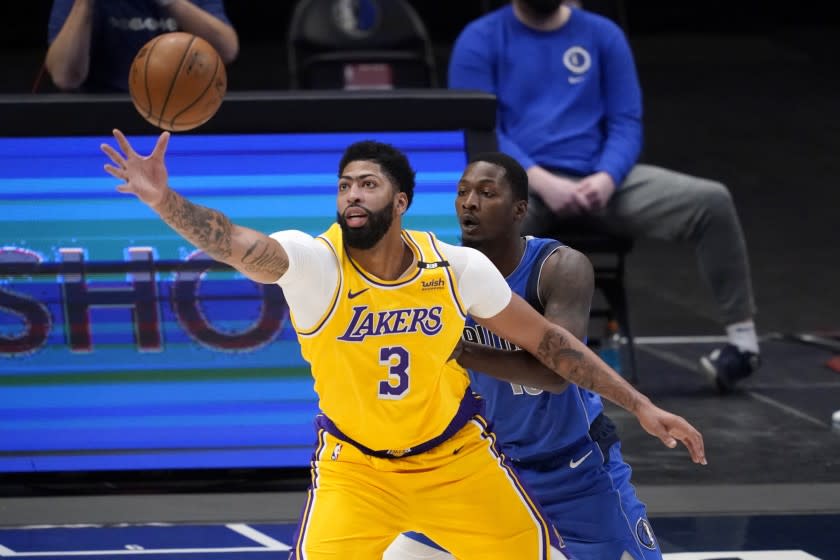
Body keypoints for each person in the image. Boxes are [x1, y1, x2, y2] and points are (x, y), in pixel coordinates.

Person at [100, 130, 705, 558]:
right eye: (344, 186)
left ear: (401, 201)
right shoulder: (316, 263)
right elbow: (232, 240)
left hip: (459, 461)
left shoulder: (454, 267)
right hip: (356, 471)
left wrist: (641, 405)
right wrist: (162, 199)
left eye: (367, 184)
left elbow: (550, 345)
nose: (352, 195)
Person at [447, 0, 761, 393]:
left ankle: (743, 344)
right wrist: (540, 180)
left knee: (711, 201)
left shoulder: (602, 35)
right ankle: (482, 349)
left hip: (602, 181)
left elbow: (626, 120)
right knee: (482, 223)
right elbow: (481, 129)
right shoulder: (479, 40)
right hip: (525, 183)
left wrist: (606, 177)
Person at [385, 153, 665, 559]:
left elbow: (555, 374)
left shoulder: (559, 268)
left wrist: (459, 351)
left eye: (486, 192)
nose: (469, 203)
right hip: (484, 468)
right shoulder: (436, 273)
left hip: (573, 471)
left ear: (519, 210)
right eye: (462, 192)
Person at [45, 0, 238, 92]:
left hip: (179, 112)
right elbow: (65, 77)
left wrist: (172, 3)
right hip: (105, 116)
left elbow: (226, 50)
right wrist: (84, 5)